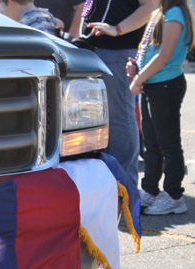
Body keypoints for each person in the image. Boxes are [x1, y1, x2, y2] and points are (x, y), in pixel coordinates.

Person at [121, 0, 194, 215]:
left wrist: (138, 79)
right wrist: (135, 66)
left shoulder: (174, 14)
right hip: (153, 84)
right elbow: (150, 51)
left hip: (165, 85)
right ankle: (150, 190)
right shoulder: (160, 12)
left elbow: (164, 56)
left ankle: (174, 195)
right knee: (151, 144)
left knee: (168, 144)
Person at [82, 0, 160, 189]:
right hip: (95, 51)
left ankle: (126, 188)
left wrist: (117, 29)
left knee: (119, 118)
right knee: (97, 120)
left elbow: (151, 5)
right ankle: (110, 187)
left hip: (117, 52)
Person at [0, 0, 65, 32]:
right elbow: (60, 24)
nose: (4, 12)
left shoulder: (27, 24)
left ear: (11, 3)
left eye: (3, 6)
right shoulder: (46, 14)